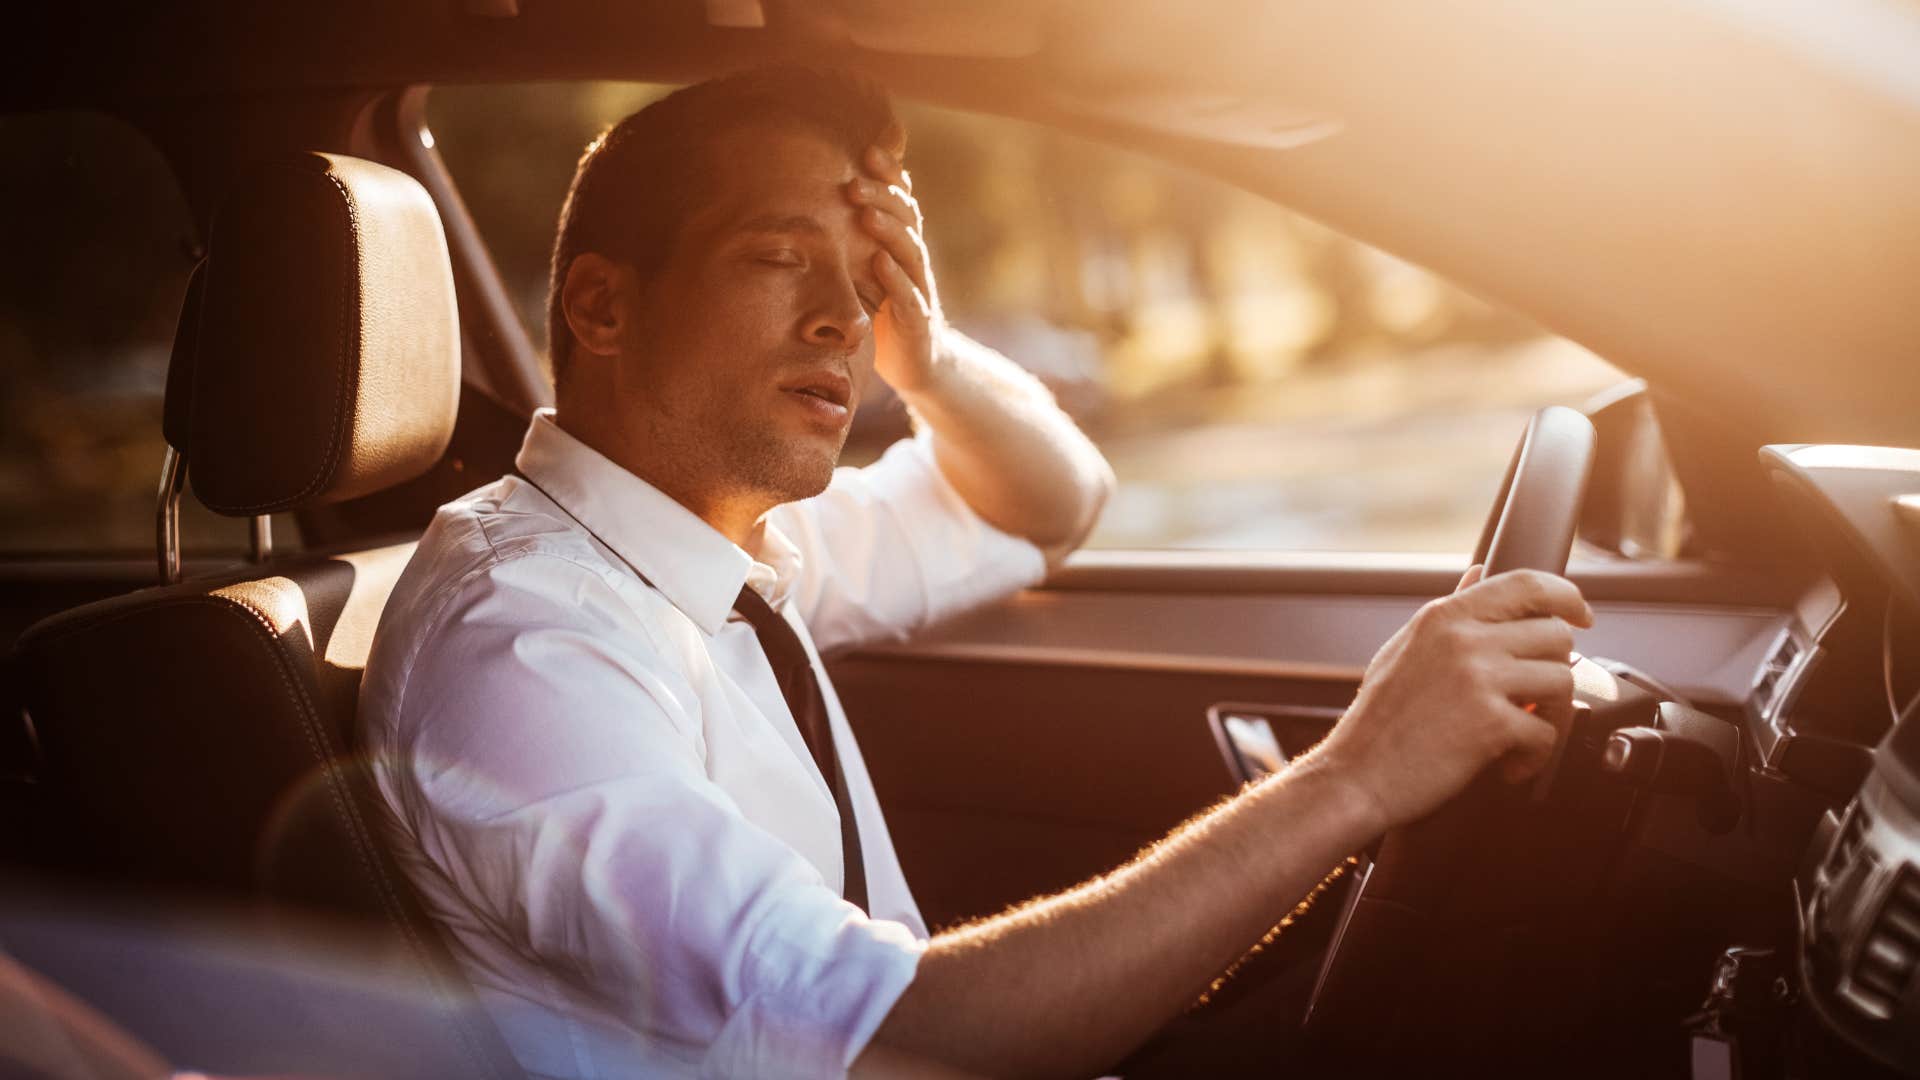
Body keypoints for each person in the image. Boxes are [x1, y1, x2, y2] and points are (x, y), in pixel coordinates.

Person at [359, 67, 1591, 1079]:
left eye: (871, 275)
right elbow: (893, 1039)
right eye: (782, 257)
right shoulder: (526, 642)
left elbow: (1054, 505)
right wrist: (1358, 776)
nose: (848, 316)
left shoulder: (718, 547)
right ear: (602, 307)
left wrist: (934, 364)